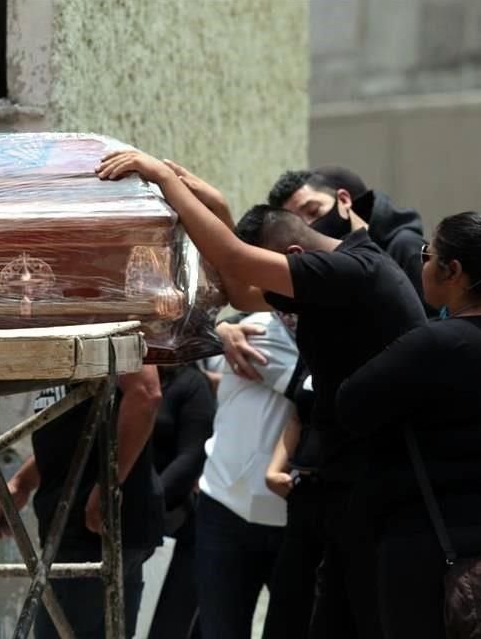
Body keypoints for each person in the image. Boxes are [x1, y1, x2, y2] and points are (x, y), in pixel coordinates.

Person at [96, 151, 428, 638]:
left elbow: (234, 261)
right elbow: (240, 288)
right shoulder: (337, 269)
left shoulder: (353, 272)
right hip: (335, 479)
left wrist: (164, 178)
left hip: (372, 482)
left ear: (293, 260)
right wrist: (220, 206)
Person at [335, 211, 481, 638]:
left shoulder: (433, 342)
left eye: (427, 255)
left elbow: (349, 406)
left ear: (453, 270)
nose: (422, 265)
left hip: (436, 552)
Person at [0, 365, 163, 639]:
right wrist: (24, 481)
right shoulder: (76, 332)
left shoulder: (109, 321)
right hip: (79, 526)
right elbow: (71, 433)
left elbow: (145, 393)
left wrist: (108, 485)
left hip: (91, 532)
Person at [194, 311, 301, 639]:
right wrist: (220, 329)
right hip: (223, 507)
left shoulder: (334, 339)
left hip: (292, 520)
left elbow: (313, 388)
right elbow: (192, 339)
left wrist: (221, 331)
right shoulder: (254, 328)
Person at [267, 167, 427, 304]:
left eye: (314, 211)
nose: (309, 227)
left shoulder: (405, 246)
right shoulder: (322, 268)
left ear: (343, 200)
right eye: (299, 225)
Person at [147, 365, 215, 639]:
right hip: (120, 523)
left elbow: (191, 456)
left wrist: (148, 503)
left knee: (167, 626)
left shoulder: (191, 383)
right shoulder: (121, 378)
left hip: (174, 525)